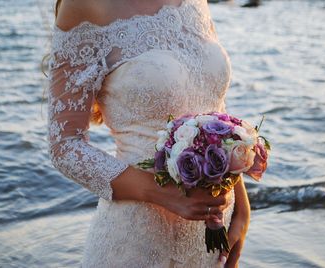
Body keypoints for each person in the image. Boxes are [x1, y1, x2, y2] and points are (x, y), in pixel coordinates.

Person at [47, 0, 250, 267]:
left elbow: (212, 109)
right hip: (137, 240)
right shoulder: (85, 5)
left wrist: (242, 210)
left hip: (213, 234)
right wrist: (164, 193)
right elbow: (65, 147)